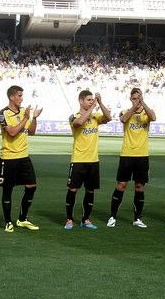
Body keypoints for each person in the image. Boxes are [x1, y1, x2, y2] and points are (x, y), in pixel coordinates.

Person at [107, 88, 156, 228]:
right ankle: (112, 216)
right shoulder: (125, 112)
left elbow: (154, 118)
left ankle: (137, 218)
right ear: (130, 99)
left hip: (142, 155)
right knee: (121, 185)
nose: (137, 101)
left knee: (140, 187)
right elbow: (123, 119)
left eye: (139, 98)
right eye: (134, 98)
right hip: (127, 154)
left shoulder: (147, 112)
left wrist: (143, 103)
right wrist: (134, 107)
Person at [0, 85, 42, 232]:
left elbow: (32, 132)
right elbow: (12, 132)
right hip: (8, 157)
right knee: (7, 190)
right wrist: (26, 118)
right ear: (12, 97)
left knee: (31, 186)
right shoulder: (3, 113)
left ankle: (22, 219)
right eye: (19, 96)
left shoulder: (24, 112)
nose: (22, 99)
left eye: (22, 96)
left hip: (23, 156)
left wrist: (34, 118)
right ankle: (8, 221)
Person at [65, 90, 112, 231]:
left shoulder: (95, 117)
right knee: (73, 189)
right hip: (78, 160)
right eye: (89, 100)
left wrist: (100, 103)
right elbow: (79, 122)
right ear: (81, 101)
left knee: (90, 191)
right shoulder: (74, 116)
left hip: (93, 160)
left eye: (92, 99)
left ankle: (85, 219)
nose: (92, 102)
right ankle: (69, 219)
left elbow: (108, 117)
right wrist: (92, 108)